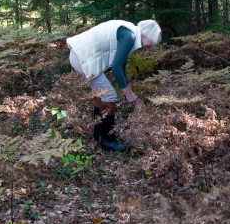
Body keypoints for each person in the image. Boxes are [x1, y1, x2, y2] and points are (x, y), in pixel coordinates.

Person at [67, 19, 162, 152]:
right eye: (151, 42)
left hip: (80, 55)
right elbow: (116, 67)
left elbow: (120, 64)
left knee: (102, 94)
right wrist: (128, 94)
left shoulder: (129, 31)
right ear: (146, 35)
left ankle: (98, 132)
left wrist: (128, 90)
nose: (150, 46)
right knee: (110, 95)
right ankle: (107, 139)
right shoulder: (130, 36)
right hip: (83, 58)